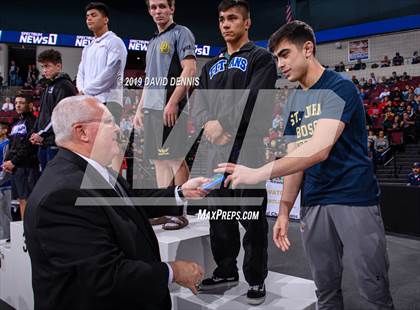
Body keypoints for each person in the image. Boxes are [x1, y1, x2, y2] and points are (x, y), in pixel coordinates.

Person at [216, 20, 394, 309]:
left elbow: (319, 149)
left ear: (308, 49)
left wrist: (259, 172)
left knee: (373, 290)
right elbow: (295, 158)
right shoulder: (294, 102)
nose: (280, 64)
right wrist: (285, 210)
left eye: (285, 54)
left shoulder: (340, 88)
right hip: (314, 204)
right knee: (325, 292)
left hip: (354, 200)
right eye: (275, 58)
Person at [24, 95, 210, 310]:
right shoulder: (63, 195)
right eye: (108, 122)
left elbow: (129, 201)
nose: (117, 129)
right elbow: (106, 276)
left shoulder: (88, 171)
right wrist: (173, 271)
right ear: (81, 131)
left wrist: (181, 192)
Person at [192, 0, 277, 305]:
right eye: (221, 19)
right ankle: (226, 269)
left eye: (232, 18)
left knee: (251, 217)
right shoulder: (210, 65)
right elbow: (198, 102)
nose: (225, 24)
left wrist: (223, 124)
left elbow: (254, 97)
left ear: (247, 23)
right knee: (220, 215)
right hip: (214, 149)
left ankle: (256, 278)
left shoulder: (262, 58)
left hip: (247, 148)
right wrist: (209, 125)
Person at [133, 0, 197, 229]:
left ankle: (180, 213)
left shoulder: (181, 33)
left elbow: (189, 70)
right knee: (159, 161)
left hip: (169, 107)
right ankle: (164, 208)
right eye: (153, 7)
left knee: (175, 159)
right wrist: (139, 109)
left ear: (172, 8)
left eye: (162, 6)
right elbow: (150, 80)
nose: (158, 11)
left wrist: (173, 102)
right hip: (151, 109)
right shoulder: (152, 42)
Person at [77, 2, 127, 127]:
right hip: (89, 101)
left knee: (106, 144)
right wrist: (81, 90)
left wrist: (86, 91)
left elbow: (110, 74)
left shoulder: (115, 42)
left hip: (108, 102)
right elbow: (80, 73)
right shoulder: (88, 47)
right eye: (87, 16)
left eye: (93, 15)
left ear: (105, 19)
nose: (89, 18)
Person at [30, 49, 77, 171]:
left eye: (47, 66)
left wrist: (41, 134)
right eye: (42, 67)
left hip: (56, 143)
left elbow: (61, 115)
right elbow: (42, 114)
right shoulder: (49, 86)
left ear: (58, 66)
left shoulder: (64, 85)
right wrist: (35, 132)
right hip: (45, 142)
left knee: (55, 181)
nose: (44, 70)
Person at [2, 95, 39, 219]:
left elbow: (28, 146)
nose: (18, 105)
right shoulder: (16, 123)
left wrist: (13, 161)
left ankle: (28, 233)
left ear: (29, 105)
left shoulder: (32, 122)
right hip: (16, 167)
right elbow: (11, 144)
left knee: (27, 200)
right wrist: (7, 161)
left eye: (22, 103)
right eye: (16, 102)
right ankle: (24, 232)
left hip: (27, 166)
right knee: (21, 200)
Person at [0, 122, 12, 240]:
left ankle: (5, 239)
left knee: (4, 214)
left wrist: (1, 180)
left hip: (4, 185)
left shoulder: (6, 144)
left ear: (4, 130)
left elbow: (5, 165)